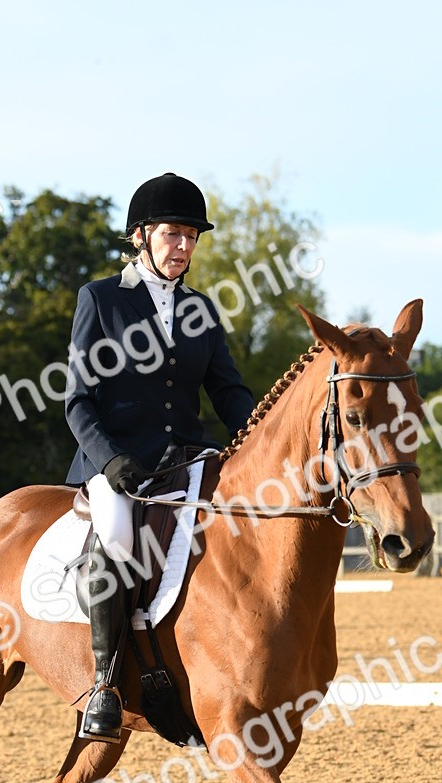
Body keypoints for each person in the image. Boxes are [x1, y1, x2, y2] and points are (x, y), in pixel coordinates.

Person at [64, 171, 254, 743]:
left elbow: (228, 391)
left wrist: (257, 438)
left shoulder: (201, 309)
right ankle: (104, 685)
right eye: (174, 234)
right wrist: (108, 460)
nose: (184, 247)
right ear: (142, 236)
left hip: (187, 460)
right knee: (118, 536)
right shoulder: (101, 299)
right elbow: (77, 400)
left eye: (193, 238)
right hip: (119, 466)